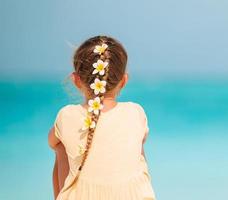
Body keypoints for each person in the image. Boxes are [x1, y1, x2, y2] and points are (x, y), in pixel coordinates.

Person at [48, 35, 156, 200]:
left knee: (60, 146)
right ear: (124, 80)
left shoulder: (67, 115)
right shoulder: (135, 112)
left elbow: (51, 141)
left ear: (76, 80)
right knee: (137, 151)